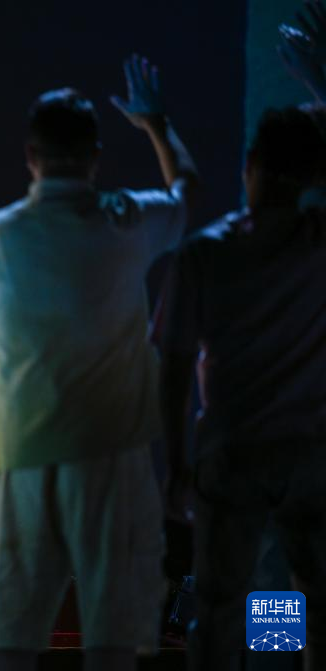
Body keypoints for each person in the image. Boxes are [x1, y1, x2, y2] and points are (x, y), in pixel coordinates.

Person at [0, 57, 199, 671]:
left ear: (30, 154)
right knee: (112, 638)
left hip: (23, 456)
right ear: (95, 154)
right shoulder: (127, 220)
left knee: (13, 634)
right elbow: (187, 193)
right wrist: (155, 124)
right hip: (113, 457)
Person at [156, 104, 326, 671]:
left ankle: (267, 660)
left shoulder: (206, 252)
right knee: (310, 598)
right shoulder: (317, 242)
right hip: (309, 450)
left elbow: (174, 367)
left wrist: (176, 463)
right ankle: (277, 661)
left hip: (233, 451)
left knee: (221, 607)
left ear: (250, 164)